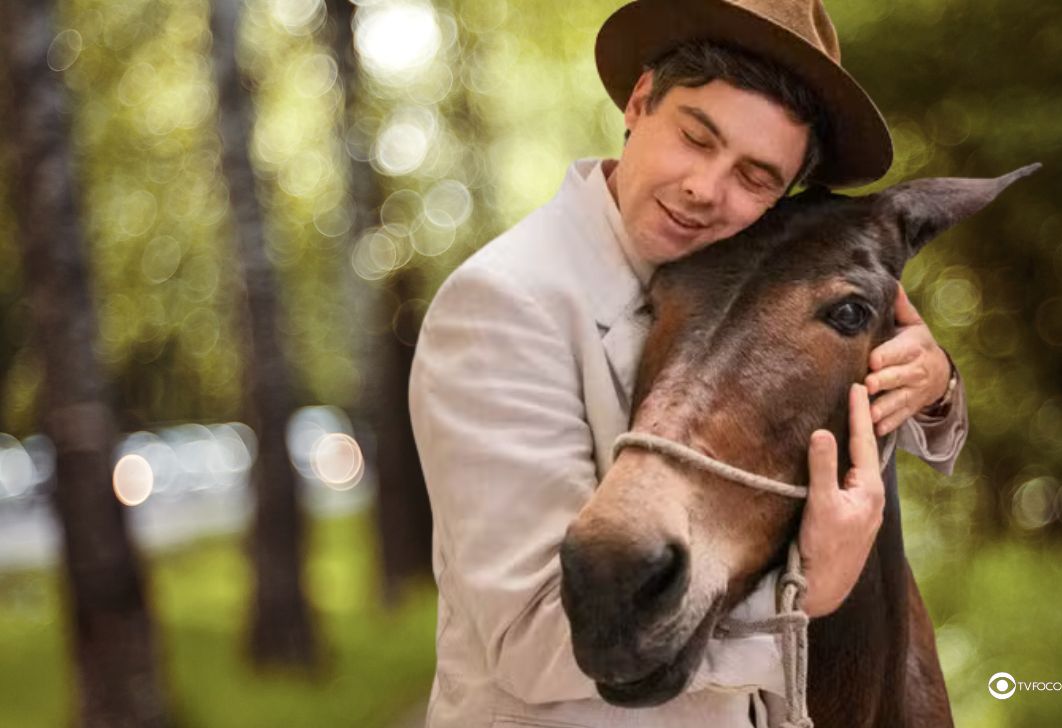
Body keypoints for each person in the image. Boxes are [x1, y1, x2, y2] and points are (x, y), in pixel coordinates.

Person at [407, 1, 968, 725]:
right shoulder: (501, 303)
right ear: (640, 102)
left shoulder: (732, 280)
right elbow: (531, 637)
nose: (706, 188)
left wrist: (934, 382)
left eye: (755, 177)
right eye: (695, 137)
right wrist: (802, 597)